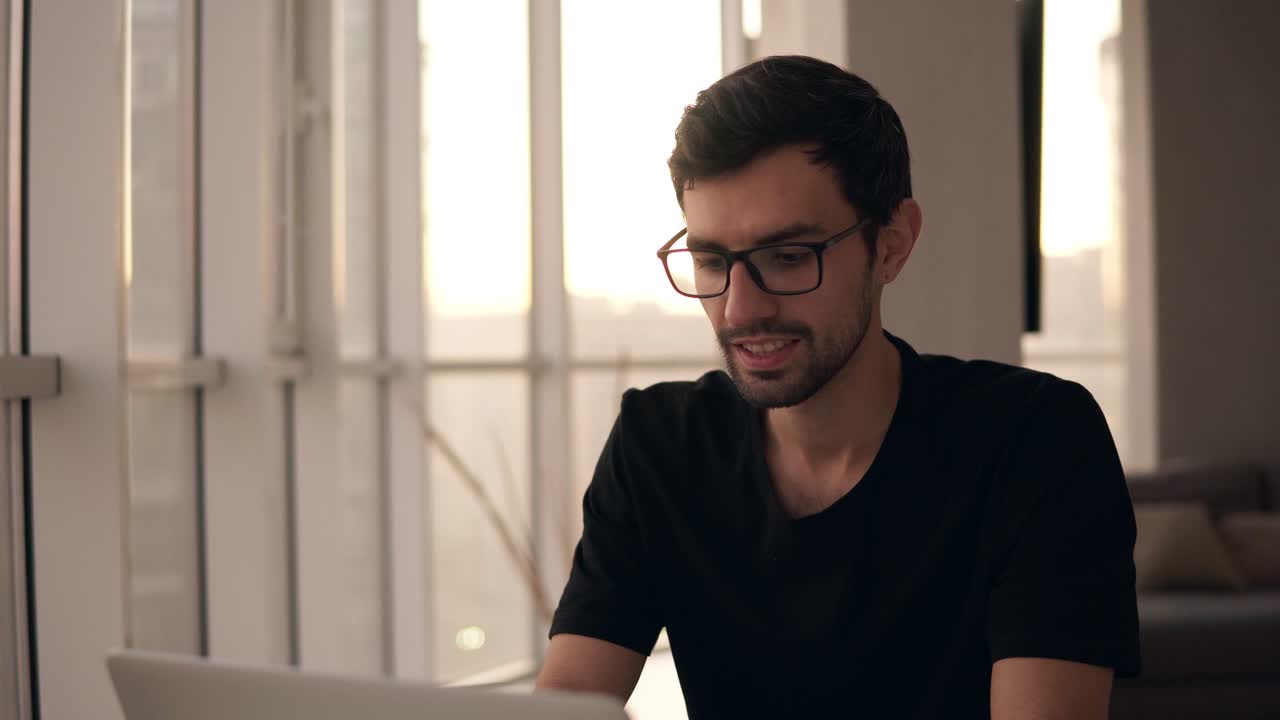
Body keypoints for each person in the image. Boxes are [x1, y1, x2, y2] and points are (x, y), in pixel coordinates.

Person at [536, 55, 1139, 719]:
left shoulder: (1035, 441)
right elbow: (565, 706)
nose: (739, 310)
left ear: (892, 244)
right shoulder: (660, 446)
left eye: (788, 257)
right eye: (711, 261)